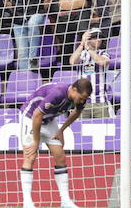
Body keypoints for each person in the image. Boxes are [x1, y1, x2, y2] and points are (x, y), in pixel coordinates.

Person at [19, 78, 92, 208]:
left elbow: (76, 113)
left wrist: (61, 130)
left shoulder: (80, 98)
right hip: (30, 117)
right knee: (30, 155)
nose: (82, 101)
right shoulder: (57, 93)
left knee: (60, 156)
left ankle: (65, 201)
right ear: (74, 90)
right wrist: (36, 141)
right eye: (81, 98)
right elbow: (37, 115)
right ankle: (27, 202)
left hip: (48, 120)